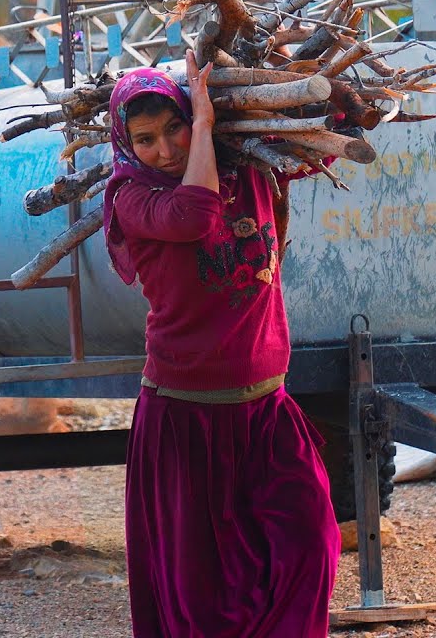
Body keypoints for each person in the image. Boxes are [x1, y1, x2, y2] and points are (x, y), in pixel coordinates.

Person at [102, 51, 341, 637]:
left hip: (266, 410)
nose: (165, 149)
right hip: (186, 421)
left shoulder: (251, 168)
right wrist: (205, 125)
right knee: (205, 602)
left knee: (312, 543)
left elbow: (325, 139)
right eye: (146, 139)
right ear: (127, 144)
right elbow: (195, 217)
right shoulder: (132, 197)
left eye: (176, 127)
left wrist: (307, 84)